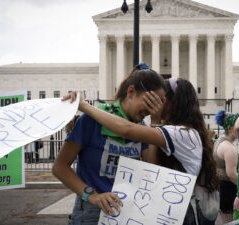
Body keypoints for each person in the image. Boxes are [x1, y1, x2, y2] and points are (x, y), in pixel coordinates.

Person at [75, 78, 220, 225]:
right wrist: (155, 119)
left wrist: (85, 106)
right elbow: (152, 166)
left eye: (159, 99)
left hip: (181, 213)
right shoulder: (181, 131)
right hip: (170, 211)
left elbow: (127, 129)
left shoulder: (182, 133)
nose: (153, 103)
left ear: (171, 103)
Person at [52, 63, 167, 225]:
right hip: (92, 211)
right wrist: (91, 196)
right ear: (131, 92)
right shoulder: (91, 121)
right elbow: (60, 167)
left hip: (126, 210)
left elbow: (151, 168)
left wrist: (155, 122)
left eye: (158, 104)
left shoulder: (142, 129)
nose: (152, 109)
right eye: (150, 101)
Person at [213, 110, 239, 224]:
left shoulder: (219, 141)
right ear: (231, 128)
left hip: (221, 188)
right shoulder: (228, 147)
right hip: (228, 190)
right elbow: (232, 175)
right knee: (229, 221)